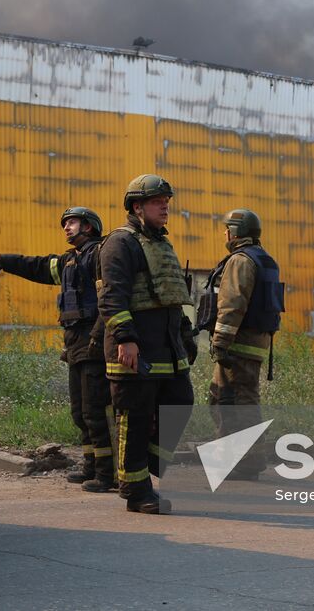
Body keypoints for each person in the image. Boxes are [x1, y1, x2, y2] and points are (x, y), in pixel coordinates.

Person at [0, 207, 115, 492]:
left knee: (96, 411)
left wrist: (97, 335)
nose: (66, 228)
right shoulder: (69, 262)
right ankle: (90, 466)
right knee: (80, 412)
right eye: (65, 224)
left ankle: (107, 475)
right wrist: (5, 261)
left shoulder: (100, 255)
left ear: (89, 226)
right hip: (74, 342)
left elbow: (111, 299)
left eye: (72, 222)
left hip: (94, 341)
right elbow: (39, 266)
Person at [98, 174, 196, 515]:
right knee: (135, 419)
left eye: (166, 200)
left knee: (181, 402)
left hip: (167, 346)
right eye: (158, 201)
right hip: (135, 348)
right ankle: (136, 491)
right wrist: (125, 339)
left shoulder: (159, 242)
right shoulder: (120, 243)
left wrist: (184, 334)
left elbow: (169, 294)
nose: (165, 206)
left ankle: (152, 464)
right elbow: (112, 297)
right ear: (137, 207)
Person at [204, 208, 283, 479]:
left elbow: (232, 303)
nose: (225, 233)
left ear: (235, 231)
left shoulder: (240, 260)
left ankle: (246, 462)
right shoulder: (263, 259)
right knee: (235, 399)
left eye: (227, 228)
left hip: (238, 343)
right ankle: (242, 458)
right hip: (254, 342)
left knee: (233, 401)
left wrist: (220, 341)